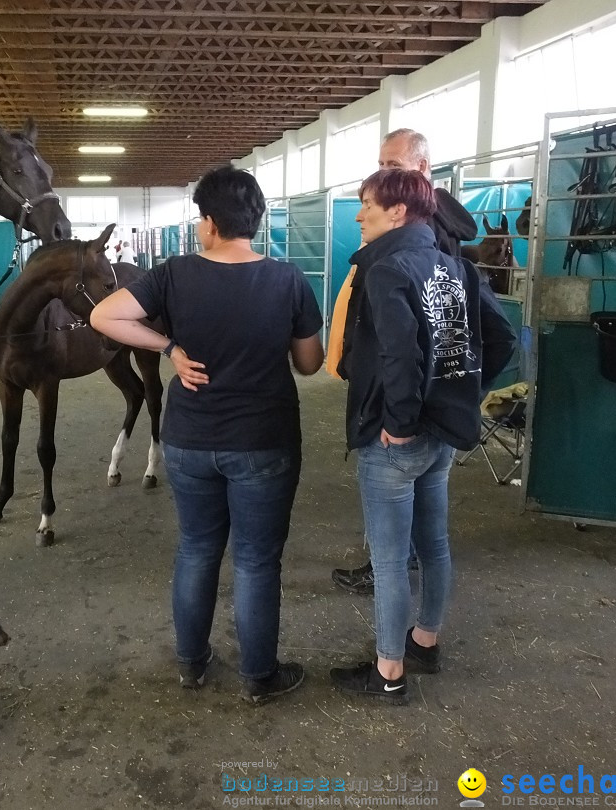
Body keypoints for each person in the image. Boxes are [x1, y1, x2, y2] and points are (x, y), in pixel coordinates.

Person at [90, 166, 324, 704]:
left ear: (212, 223)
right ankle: (258, 676)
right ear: (256, 222)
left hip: (190, 438)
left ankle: (192, 665)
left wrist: (169, 348)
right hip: (264, 438)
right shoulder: (288, 279)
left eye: (200, 219)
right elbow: (309, 364)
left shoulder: (174, 274)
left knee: (197, 548)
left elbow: (105, 315)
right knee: (257, 559)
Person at [328, 169, 515, 702]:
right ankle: (425, 643)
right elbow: (498, 339)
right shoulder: (456, 266)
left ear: (398, 212)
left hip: (399, 440)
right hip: (444, 436)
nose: (359, 214)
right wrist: (462, 390)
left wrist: (397, 422)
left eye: (366, 204)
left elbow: (402, 357)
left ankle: (388, 673)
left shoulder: (387, 270)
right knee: (433, 545)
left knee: (389, 562)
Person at [329, 128, 479, 596]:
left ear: (421, 170)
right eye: (380, 164)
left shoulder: (416, 240)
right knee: (429, 529)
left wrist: (404, 413)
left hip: (402, 405)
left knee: (398, 510)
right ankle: (419, 627)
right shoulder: (431, 233)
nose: (383, 174)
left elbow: (405, 347)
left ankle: (388, 593)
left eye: (393, 166)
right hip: (420, 396)